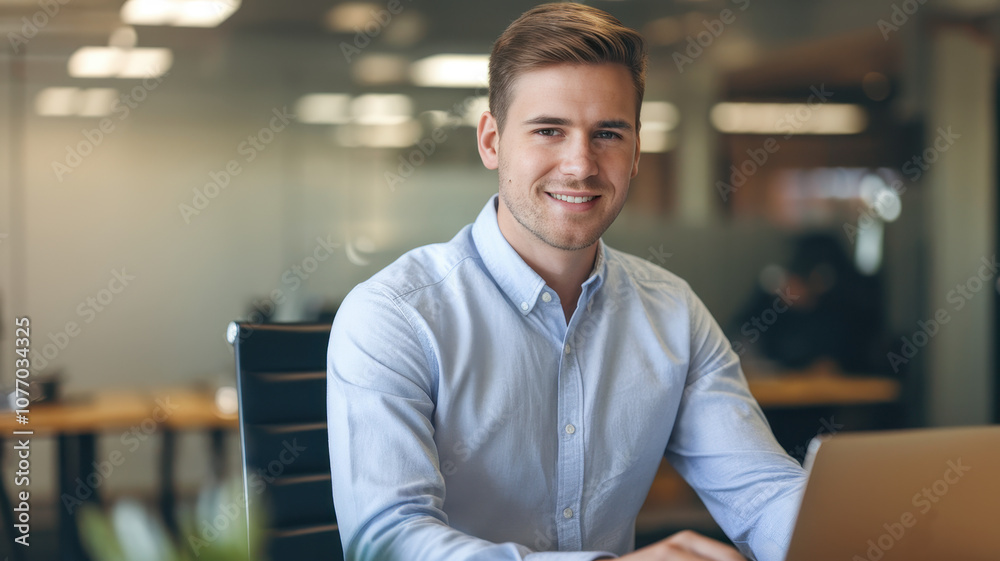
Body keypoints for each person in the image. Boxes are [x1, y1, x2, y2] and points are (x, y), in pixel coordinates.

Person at [327, 4, 806, 560]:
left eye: (607, 133)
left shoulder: (672, 312)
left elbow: (761, 492)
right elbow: (388, 543)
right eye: (549, 130)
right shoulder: (394, 315)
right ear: (491, 141)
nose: (581, 165)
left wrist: (859, 535)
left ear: (635, 153)